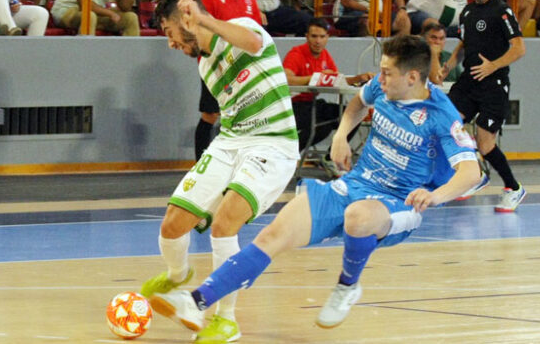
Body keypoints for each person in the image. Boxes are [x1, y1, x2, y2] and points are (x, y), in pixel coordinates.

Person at [146, 35, 481, 333]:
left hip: (398, 202)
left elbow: (471, 173)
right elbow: (357, 103)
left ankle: (347, 286)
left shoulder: (441, 115)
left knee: (358, 217)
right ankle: (196, 301)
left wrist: (434, 196)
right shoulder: (384, 85)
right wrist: (340, 136)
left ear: (412, 78)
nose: (380, 78)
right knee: (273, 235)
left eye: (387, 73)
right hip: (356, 183)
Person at [141, 0, 299, 343]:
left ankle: (225, 320)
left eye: (170, 32)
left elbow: (254, 43)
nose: (170, 43)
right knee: (172, 223)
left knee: (225, 225)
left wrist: (203, 20)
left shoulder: (242, 28)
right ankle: (178, 275)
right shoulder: (204, 67)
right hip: (231, 142)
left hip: (273, 144)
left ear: (187, 22)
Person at [446, 0, 526, 211]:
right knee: (448, 124)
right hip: (468, 82)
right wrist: (448, 64)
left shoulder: (502, 11)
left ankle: (513, 188)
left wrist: (493, 66)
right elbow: (463, 43)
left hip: (493, 84)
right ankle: (477, 175)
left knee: (485, 144)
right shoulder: (467, 12)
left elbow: (519, 48)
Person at [283, 17, 373, 176]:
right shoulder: (296, 53)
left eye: (322, 36)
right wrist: (315, 77)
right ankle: (287, 157)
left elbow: (337, 79)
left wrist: (359, 78)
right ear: (307, 37)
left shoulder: (325, 55)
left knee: (351, 115)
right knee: (320, 125)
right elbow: (287, 79)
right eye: (314, 36)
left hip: (314, 103)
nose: (318, 41)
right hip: (293, 106)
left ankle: (331, 156)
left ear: (327, 38)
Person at [194, 0, 262, 160]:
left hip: (242, 68)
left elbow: (257, 35)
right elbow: (202, 33)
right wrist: (208, 64)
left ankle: (238, 163)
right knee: (210, 115)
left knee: (242, 116)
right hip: (216, 66)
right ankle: (199, 164)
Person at [422, 22, 462, 86]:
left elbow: (461, 80)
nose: (437, 42)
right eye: (433, 38)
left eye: (441, 38)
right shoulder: (417, 58)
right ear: (424, 39)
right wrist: (434, 54)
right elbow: (436, 81)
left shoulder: (451, 57)